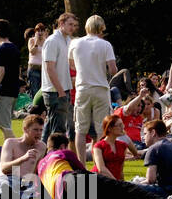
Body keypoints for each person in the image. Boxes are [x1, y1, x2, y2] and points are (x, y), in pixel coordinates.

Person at [38, 131, 172, 199]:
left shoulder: (41, 165)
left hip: (63, 198)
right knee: (120, 188)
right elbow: (82, 169)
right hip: (70, 180)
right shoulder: (63, 153)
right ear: (63, 146)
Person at [68, 15, 117, 149]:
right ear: (101, 28)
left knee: (80, 130)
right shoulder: (105, 44)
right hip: (100, 88)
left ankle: (81, 165)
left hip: (82, 88)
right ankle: (99, 163)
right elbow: (113, 70)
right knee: (102, 129)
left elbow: (71, 65)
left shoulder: (75, 43)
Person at [39, 13, 78, 148]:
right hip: (54, 91)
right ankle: (56, 159)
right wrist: (61, 91)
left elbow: (68, 65)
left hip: (64, 89)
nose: (73, 28)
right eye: (70, 24)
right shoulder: (52, 41)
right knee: (58, 130)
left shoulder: (67, 40)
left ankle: (40, 156)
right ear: (61, 24)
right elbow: (50, 68)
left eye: (74, 25)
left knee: (50, 128)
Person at [0, 112, 45, 199]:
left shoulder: (41, 147)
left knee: (39, 190)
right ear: (25, 129)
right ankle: (10, 194)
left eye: (41, 130)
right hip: (6, 178)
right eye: (35, 130)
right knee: (3, 185)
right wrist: (23, 158)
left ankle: (17, 195)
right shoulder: (11, 143)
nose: (39, 133)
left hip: (25, 183)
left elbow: (35, 171)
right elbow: (4, 168)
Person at [0, 19, 20, 149]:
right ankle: (7, 157)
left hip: (4, 92)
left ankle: (19, 153)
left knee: (6, 128)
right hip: (13, 92)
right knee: (4, 126)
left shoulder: (1, 50)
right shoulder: (15, 48)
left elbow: (0, 71)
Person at [91, 113, 138, 181]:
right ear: (109, 128)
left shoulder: (122, 146)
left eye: (122, 124)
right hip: (97, 181)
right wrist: (116, 183)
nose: (123, 127)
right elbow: (101, 169)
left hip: (114, 183)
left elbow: (120, 171)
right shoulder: (98, 146)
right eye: (119, 125)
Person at [25, 22, 47, 99]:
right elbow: (32, 52)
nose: (40, 32)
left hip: (44, 69)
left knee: (43, 90)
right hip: (33, 68)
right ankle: (34, 108)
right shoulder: (31, 40)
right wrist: (37, 42)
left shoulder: (47, 41)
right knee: (34, 90)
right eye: (38, 30)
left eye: (42, 30)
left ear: (44, 32)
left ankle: (42, 109)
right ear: (35, 32)